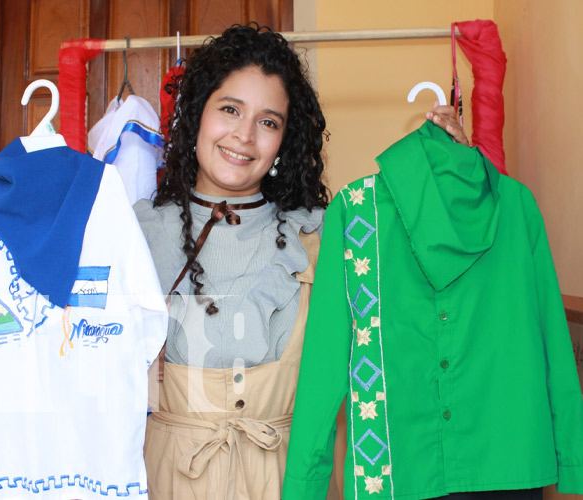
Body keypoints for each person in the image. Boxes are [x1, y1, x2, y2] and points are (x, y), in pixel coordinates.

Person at [133, 22, 468, 500]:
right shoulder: (135, 232)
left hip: (293, 481)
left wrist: (454, 177)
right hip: (164, 480)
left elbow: (433, 277)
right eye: (230, 109)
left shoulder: (326, 234)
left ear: (283, 141)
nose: (244, 136)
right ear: (197, 114)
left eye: (268, 121)